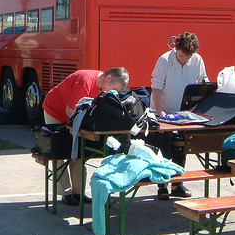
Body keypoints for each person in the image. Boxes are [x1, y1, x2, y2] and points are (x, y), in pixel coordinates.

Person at [41, 67, 130, 206]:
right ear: (108, 78)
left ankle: (78, 193)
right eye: (113, 88)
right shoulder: (85, 81)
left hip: (73, 115)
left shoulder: (103, 86)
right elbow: (71, 111)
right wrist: (84, 130)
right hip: (56, 111)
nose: (112, 92)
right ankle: (65, 193)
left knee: (78, 153)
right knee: (59, 152)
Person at [150, 32, 208, 200]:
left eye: (187, 57)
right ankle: (162, 185)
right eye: (181, 55)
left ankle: (177, 183)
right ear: (176, 48)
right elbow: (156, 87)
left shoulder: (197, 60)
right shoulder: (164, 60)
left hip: (184, 113)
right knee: (163, 148)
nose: (184, 59)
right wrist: (160, 113)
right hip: (164, 112)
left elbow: (203, 82)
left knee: (181, 147)